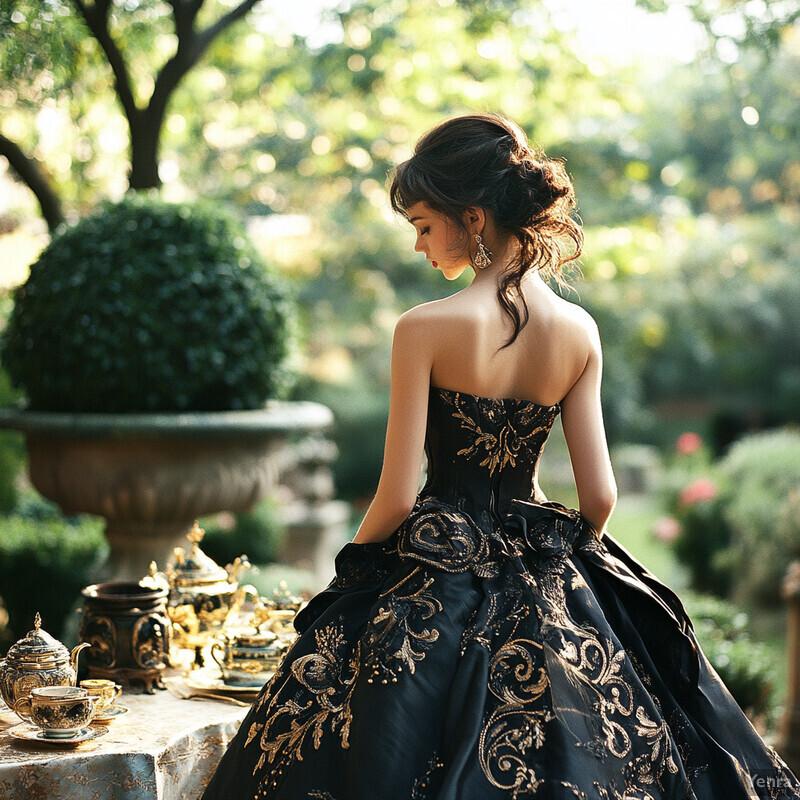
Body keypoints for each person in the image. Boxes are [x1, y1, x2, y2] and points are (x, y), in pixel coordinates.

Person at [201, 114, 800, 799]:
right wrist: (562, 574)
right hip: (547, 562)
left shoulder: (422, 329)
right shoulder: (580, 332)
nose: (421, 247)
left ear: (474, 217)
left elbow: (396, 497)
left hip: (429, 575)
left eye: (425, 225)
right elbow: (599, 499)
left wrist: (347, 577)